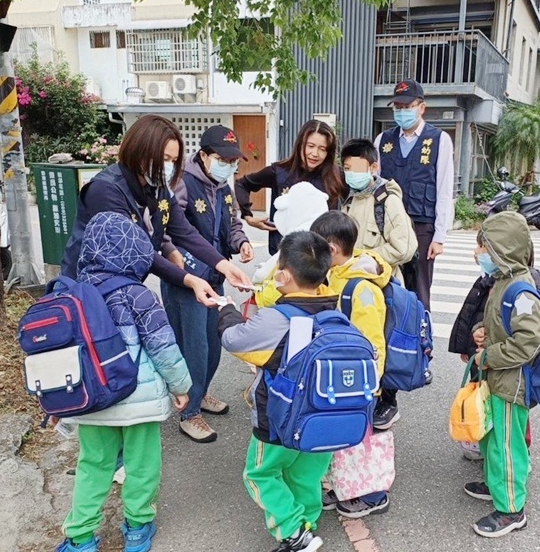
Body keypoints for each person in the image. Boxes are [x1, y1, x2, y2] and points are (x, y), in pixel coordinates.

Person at [52, 212, 191, 552]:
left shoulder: (72, 294)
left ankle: (80, 542)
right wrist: (181, 388)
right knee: (143, 464)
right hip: (138, 401)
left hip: (93, 401)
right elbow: (163, 347)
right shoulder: (137, 295)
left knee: (93, 465)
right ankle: (137, 528)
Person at [218, 231, 338, 552]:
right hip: (323, 418)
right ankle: (306, 526)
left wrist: (226, 310)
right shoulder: (334, 312)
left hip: (281, 417)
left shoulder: (278, 317)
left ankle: (293, 531)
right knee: (306, 474)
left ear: (283, 275)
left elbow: (235, 340)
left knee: (259, 474)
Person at [61, 114, 251, 304]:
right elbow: (136, 249)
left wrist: (224, 265)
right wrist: (189, 280)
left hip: (122, 288)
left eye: (174, 160)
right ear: (139, 151)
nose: (168, 166)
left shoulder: (158, 188)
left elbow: (185, 232)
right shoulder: (106, 190)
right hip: (85, 292)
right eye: (164, 158)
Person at [163, 125, 254, 443]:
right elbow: (171, 231)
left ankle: (199, 394)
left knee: (215, 344)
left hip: (215, 278)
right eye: (222, 159)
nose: (229, 166)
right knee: (194, 349)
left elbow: (232, 222)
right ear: (203, 155)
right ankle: (189, 413)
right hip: (187, 280)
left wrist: (241, 242)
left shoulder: (224, 187)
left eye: (233, 161)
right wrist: (177, 260)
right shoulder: (181, 182)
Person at [466, 211, 540, 538]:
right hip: (496, 377)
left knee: (507, 445)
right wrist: (482, 332)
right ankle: (495, 483)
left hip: (512, 383)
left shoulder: (521, 289)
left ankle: (511, 509)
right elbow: (502, 325)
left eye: (484, 247)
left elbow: (529, 340)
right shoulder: (502, 281)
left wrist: (490, 356)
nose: (478, 254)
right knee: (492, 438)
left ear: (503, 250)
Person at [309, 211, 391, 519]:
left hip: (360, 382)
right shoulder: (331, 278)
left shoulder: (361, 288)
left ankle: (373, 494)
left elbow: (373, 343)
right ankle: (340, 486)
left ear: (330, 248)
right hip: (337, 377)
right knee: (339, 436)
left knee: (360, 439)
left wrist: (371, 384)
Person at [375, 79, 454, 312]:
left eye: (407, 107)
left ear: (421, 107)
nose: (402, 112)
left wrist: (439, 237)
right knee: (388, 285)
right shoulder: (383, 141)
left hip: (422, 227)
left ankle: (421, 342)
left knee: (419, 289)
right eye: (397, 107)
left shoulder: (439, 140)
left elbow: (444, 189)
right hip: (388, 226)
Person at [236, 120, 343, 255]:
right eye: (310, 146)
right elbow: (242, 184)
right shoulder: (279, 172)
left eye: (322, 149)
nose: (315, 153)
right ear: (300, 145)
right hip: (283, 256)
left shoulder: (336, 176)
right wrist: (248, 216)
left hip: (320, 258)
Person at [339, 139, 416, 272]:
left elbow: (404, 248)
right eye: (347, 168)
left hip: (380, 284)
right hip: (351, 282)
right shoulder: (349, 202)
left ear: (373, 168)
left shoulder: (387, 201)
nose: (352, 173)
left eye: (357, 167)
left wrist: (366, 259)